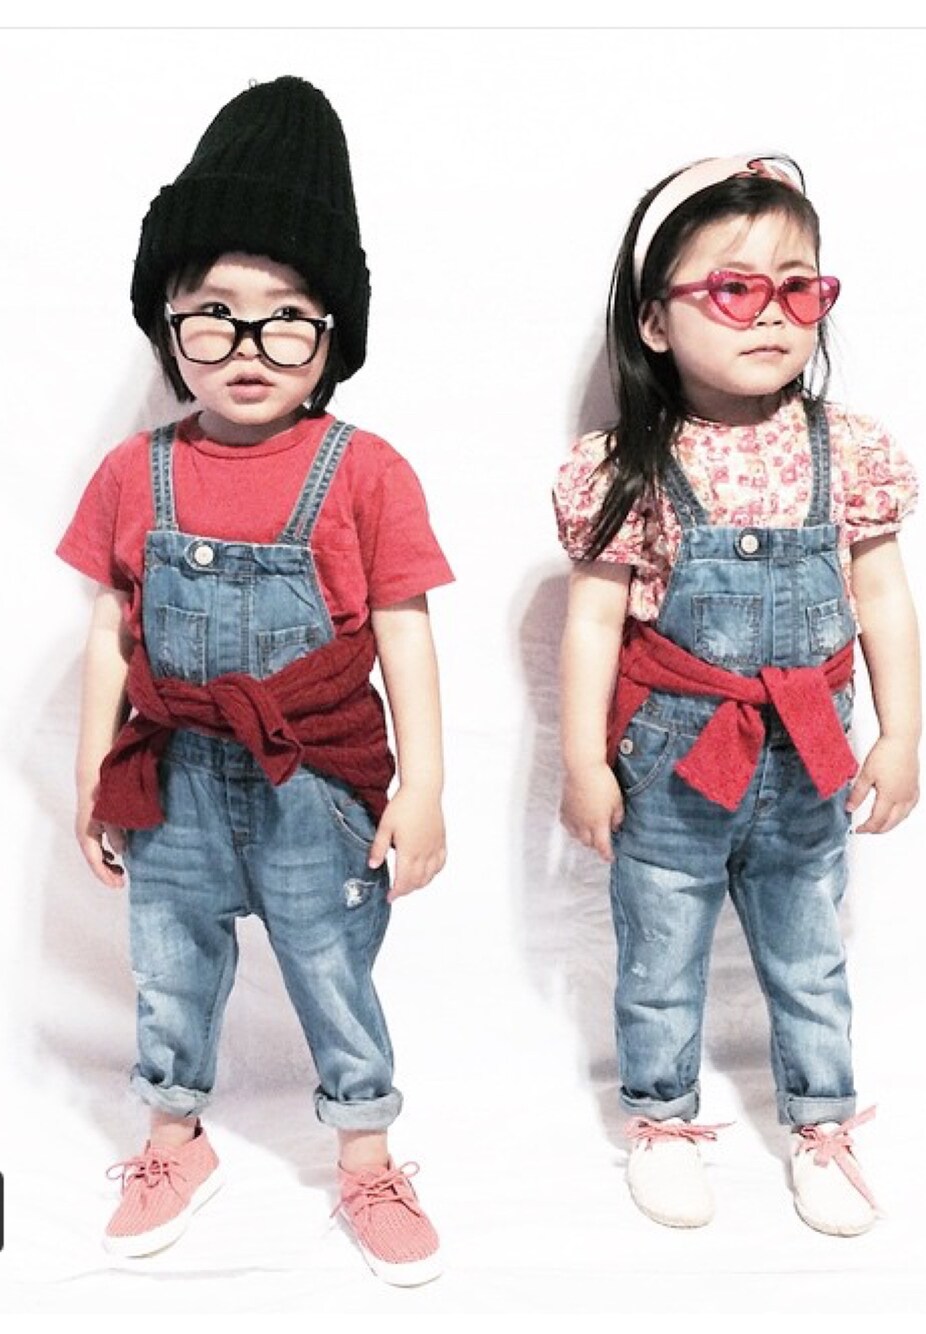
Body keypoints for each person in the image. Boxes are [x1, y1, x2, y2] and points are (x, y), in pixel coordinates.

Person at [57, 76, 452, 1286]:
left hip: (314, 784)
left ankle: (366, 1155)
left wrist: (424, 786)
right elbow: (111, 629)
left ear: (332, 336)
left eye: (286, 320)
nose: (246, 347)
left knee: (332, 967)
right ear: (167, 322)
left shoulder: (365, 470)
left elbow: (405, 631)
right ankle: (174, 1138)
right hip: (171, 775)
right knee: (168, 962)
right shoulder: (132, 473)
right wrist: (93, 771)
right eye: (213, 316)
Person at [553, 154, 920, 1237]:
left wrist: (900, 733)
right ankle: (661, 1118)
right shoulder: (626, 463)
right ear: (654, 321)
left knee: (809, 949)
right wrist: (581, 760)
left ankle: (821, 1121)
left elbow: (883, 598)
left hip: (808, 755)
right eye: (732, 288)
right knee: (659, 948)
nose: (770, 313)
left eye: (797, 288)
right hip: (674, 758)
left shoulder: (847, 449)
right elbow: (594, 621)